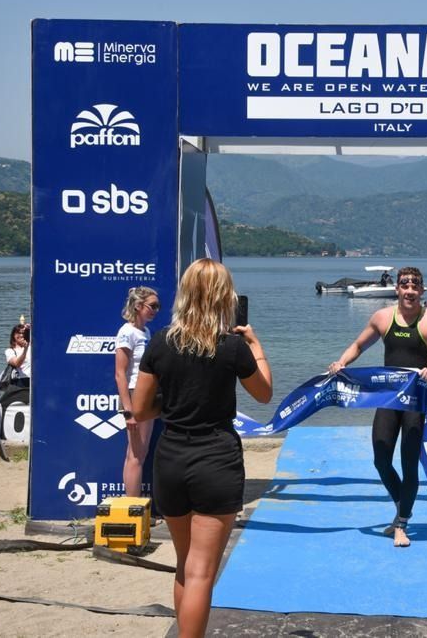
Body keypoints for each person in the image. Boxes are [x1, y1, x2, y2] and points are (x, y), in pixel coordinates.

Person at [131, 258, 272, 638]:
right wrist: (256, 346)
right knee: (201, 572)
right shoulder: (233, 346)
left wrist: (172, 405)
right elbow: (264, 394)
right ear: (224, 297)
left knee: (185, 565)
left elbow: (140, 409)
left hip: (171, 458)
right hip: (216, 460)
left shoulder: (161, 342)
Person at [328, 266, 427, 547]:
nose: (410, 291)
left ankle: (401, 524)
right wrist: (341, 363)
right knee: (381, 459)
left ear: (422, 290)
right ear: (397, 288)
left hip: (416, 400)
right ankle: (403, 506)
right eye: (405, 285)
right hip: (388, 399)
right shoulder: (382, 317)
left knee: (409, 463)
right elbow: (358, 345)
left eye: (415, 286)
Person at [116, 286, 159, 498]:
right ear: (138, 306)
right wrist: (128, 411)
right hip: (135, 394)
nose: (156, 310)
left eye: (158, 306)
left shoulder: (145, 332)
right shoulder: (127, 332)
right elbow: (120, 373)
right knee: (135, 455)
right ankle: (133, 506)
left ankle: (135, 504)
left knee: (140, 454)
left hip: (147, 393)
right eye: (153, 306)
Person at [4, 323, 32, 388]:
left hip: (35, 379)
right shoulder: (10, 351)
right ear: (13, 335)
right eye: (19, 333)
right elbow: (17, 363)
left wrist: (31, 327)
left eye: (23, 333)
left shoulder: (32, 346)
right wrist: (25, 349)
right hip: (21, 381)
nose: (21, 335)